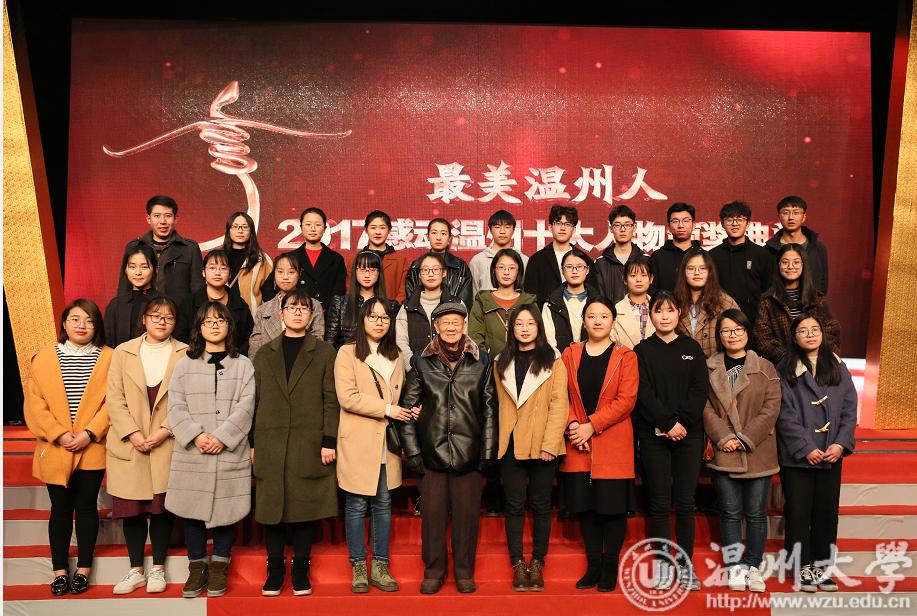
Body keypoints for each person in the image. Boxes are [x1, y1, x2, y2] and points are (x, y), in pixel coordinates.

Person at [399, 302, 498, 595]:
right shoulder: (421, 362)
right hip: (432, 453)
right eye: (445, 322)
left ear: (464, 325)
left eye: (456, 322)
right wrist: (413, 452)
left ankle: (464, 572)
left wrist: (487, 453)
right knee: (433, 519)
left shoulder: (482, 361)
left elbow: (490, 409)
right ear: (436, 327)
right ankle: (434, 571)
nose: (451, 327)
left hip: (469, 453)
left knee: (467, 519)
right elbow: (408, 409)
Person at [251, 288, 339, 597]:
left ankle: (301, 567)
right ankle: (275, 567)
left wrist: (329, 440)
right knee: (271, 506)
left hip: (309, 439)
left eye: (304, 308)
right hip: (270, 439)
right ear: (281, 313)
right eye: (292, 307)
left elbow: (331, 400)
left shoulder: (324, 352)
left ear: (312, 315)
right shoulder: (264, 354)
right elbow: (254, 401)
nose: (298, 312)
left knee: (305, 504)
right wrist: (252, 443)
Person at [165, 302, 255, 598]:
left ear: (229, 326)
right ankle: (196, 566)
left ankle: (219, 565)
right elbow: (175, 405)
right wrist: (196, 435)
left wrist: (223, 437)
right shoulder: (184, 365)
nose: (214, 326)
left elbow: (246, 406)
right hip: (194, 450)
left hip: (228, 449)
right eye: (208, 321)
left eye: (220, 321)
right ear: (199, 327)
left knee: (226, 509)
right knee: (191, 508)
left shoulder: (243, 364)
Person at [24, 299, 112, 596]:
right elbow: (35, 403)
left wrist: (90, 433)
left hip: (92, 445)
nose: (81, 325)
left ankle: (84, 569)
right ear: (64, 323)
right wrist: (59, 434)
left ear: (96, 326)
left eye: (89, 320)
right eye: (75, 319)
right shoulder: (44, 358)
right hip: (55, 446)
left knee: (86, 507)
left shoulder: (110, 358)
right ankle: (59, 571)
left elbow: (113, 401)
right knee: (60, 508)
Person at [334, 298, 420, 594]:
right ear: (362, 320)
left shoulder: (396, 354)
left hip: (387, 441)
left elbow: (402, 396)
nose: (379, 322)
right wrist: (387, 409)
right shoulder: (347, 353)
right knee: (357, 504)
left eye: (384, 318)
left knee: (383, 504)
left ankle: (381, 565)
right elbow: (347, 397)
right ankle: (358, 565)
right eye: (373, 316)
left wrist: (410, 408)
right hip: (358, 440)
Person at [106, 295, 188, 595]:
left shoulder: (185, 353)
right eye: (156, 316)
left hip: (167, 441)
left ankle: (158, 569)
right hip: (131, 442)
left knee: (160, 508)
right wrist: (132, 433)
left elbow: (188, 398)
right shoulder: (123, 352)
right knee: (133, 508)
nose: (161, 322)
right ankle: (135, 569)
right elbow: (114, 397)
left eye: (168, 317)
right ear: (144, 319)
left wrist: (166, 429)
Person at [560, 298, 639, 593]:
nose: (597, 321)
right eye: (591, 316)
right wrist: (572, 425)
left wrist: (591, 425)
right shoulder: (570, 354)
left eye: (604, 316)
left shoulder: (625, 356)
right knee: (586, 508)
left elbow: (626, 400)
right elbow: (561, 394)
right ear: (583, 321)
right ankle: (593, 565)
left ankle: (610, 566)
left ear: (613, 321)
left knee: (612, 509)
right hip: (578, 444)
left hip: (613, 441)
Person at [633, 291, 709, 591]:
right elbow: (643, 392)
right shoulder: (642, 350)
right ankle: (663, 564)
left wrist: (681, 424)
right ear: (650, 315)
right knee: (660, 502)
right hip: (654, 435)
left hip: (688, 435)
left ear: (679, 313)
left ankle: (686, 565)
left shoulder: (692, 348)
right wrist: (666, 423)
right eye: (658, 311)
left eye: (669, 310)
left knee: (686, 501)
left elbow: (699, 389)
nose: (664, 316)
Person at [703, 309, 780, 594]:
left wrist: (745, 437)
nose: (732, 335)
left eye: (738, 329)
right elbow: (705, 407)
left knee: (757, 513)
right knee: (730, 513)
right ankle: (735, 565)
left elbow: (771, 407)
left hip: (757, 449)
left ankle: (753, 565)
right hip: (724, 449)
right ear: (719, 335)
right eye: (726, 331)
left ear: (747, 332)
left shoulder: (765, 367)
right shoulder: (709, 368)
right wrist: (724, 437)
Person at [777, 314, 856, 593]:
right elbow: (783, 413)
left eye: (815, 329)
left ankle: (822, 567)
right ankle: (803, 567)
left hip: (831, 453)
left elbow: (849, 409)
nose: (810, 334)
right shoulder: (785, 368)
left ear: (823, 334)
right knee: (798, 513)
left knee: (826, 513)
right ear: (794, 337)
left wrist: (840, 444)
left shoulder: (837, 366)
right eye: (803, 331)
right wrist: (806, 447)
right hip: (798, 456)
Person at [494, 304, 567, 592]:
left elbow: (559, 405)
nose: (524, 328)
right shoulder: (500, 361)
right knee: (513, 505)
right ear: (511, 329)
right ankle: (517, 564)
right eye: (519, 324)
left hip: (542, 444)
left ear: (539, 327)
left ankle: (537, 563)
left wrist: (550, 444)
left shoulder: (554, 360)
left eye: (530, 323)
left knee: (540, 505)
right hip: (511, 443)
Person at [754, 244, 840, 366]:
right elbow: (763, 339)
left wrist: (815, 357)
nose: (790, 266)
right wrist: (790, 359)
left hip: (818, 363)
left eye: (796, 262)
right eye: (785, 262)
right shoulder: (767, 301)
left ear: (803, 265)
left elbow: (832, 330)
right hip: (784, 365)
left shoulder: (817, 299)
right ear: (778, 265)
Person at [117, 195, 202, 304]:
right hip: (142, 310)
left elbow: (197, 289)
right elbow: (124, 287)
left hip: (179, 312)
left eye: (168, 216)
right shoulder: (134, 247)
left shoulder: (190, 249)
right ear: (149, 219)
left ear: (176, 219)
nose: (163, 221)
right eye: (157, 216)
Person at [176, 250, 255, 356]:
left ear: (230, 274)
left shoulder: (240, 305)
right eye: (212, 268)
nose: (217, 273)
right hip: (196, 359)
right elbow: (180, 338)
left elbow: (248, 339)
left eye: (223, 268)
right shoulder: (189, 303)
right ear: (203, 272)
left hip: (233, 360)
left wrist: (234, 359)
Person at [710, 201, 774, 325]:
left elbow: (768, 289)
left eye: (740, 219)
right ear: (722, 224)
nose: (735, 224)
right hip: (721, 321)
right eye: (729, 219)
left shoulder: (761, 254)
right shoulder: (712, 255)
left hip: (756, 322)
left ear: (748, 223)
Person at [249, 253, 324, 357]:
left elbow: (318, 343)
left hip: (304, 363)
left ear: (299, 274)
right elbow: (255, 350)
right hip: (270, 364)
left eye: (291, 272)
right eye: (280, 272)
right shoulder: (263, 310)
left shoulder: (314, 306)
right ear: (274, 274)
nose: (285, 277)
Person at [395, 252, 461, 371]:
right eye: (425, 270)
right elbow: (401, 342)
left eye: (435, 269)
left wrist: (450, 369)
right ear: (420, 274)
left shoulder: (457, 304)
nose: (430, 274)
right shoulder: (407, 307)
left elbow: (463, 339)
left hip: (449, 373)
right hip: (415, 373)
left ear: (444, 273)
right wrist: (414, 368)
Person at [469, 248, 536, 357]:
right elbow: (475, 338)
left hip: (524, 363)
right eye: (501, 267)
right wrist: (487, 362)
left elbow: (537, 337)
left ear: (518, 271)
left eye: (512, 268)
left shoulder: (529, 302)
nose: (506, 272)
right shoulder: (482, 301)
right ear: (493, 270)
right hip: (488, 364)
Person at [674, 248, 740, 357]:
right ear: (683, 272)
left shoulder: (725, 302)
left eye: (702, 268)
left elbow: (739, 336)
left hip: (716, 364)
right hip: (681, 363)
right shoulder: (674, 302)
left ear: (710, 272)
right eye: (691, 268)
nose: (697, 273)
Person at [326, 251, 398, 349]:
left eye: (372, 270)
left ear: (379, 273)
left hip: (379, 356)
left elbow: (393, 342)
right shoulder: (340, 302)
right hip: (346, 356)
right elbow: (330, 342)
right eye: (362, 269)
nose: (367, 275)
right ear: (355, 271)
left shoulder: (391, 306)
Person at [281, 207, 347, 311]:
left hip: (326, 314)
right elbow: (272, 288)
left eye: (318, 225)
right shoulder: (289, 258)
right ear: (301, 227)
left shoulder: (336, 259)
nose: (313, 229)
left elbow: (339, 291)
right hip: (296, 313)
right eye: (308, 224)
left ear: (325, 228)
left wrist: (323, 309)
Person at [405, 218, 473, 309]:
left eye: (443, 233)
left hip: (452, 315)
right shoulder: (417, 265)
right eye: (434, 233)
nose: (438, 238)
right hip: (422, 316)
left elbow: (465, 301)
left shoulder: (459, 266)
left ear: (450, 238)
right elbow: (411, 299)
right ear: (427, 236)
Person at [766, 196, 829, 294]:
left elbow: (822, 282)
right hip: (777, 302)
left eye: (796, 212)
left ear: (804, 217)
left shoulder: (818, 248)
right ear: (779, 217)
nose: (791, 217)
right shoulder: (768, 250)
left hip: (810, 303)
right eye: (785, 213)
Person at [524, 204, 579, 306]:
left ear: (574, 229)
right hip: (545, 314)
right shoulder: (536, 260)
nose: (563, 228)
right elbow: (530, 296)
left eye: (567, 224)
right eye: (558, 223)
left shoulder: (584, 260)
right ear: (550, 227)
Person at [588, 205, 645, 303]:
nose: (622, 229)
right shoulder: (600, 263)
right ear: (611, 229)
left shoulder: (645, 260)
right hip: (608, 312)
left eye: (627, 225)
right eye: (617, 225)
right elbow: (596, 297)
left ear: (634, 227)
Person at [543, 247, 596, 353]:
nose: (574, 271)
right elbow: (549, 343)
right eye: (569, 267)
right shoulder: (551, 304)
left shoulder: (599, 303)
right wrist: (562, 360)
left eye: (579, 267)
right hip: (560, 360)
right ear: (562, 271)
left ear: (587, 270)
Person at [348, 210, 409, 303]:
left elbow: (403, 291)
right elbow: (349, 288)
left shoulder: (400, 260)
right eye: (373, 227)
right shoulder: (355, 259)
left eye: (382, 228)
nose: (377, 232)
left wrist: (392, 307)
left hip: (391, 310)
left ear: (389, 230)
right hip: (360, 309)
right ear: (366, 230)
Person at [222, 211, 274, 317]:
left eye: (245, 227)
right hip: (221, 317)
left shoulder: (262, 259)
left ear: (251, 232)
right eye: (235, 227)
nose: (240, 231)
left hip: (252, 318)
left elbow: (269, 297)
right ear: (228, 231)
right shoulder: (218, 258)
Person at [105, 246, 157, 349]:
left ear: (155, 269)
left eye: (144, 267)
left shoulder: (163, 303)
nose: (138, 272)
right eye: (132, 267)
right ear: (125, 270)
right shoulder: (115, 305)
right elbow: (107, 342)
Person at [469, 210, 529, 295]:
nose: (502, 231)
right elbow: (473, 294)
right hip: (485, 304)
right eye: (497, 227)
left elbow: (527, 294)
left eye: (507, 227)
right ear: (490, 230)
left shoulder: (524, 260)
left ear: (513, 230)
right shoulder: (478, 260)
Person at [648, 202, 703, 293]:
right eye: (675, 221)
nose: (680, 225)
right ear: (669, 227)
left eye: (685, 221)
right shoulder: (657, 257)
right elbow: (650, 289)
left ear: (694, 225)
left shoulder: (703, 256)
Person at [612, 255, 655, 349]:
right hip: (625, 357)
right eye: (633, 275)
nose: (638, 280)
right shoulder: (615, 311)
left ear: (651, 279)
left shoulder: (660, 308)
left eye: (643, 275)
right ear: (625, 280)